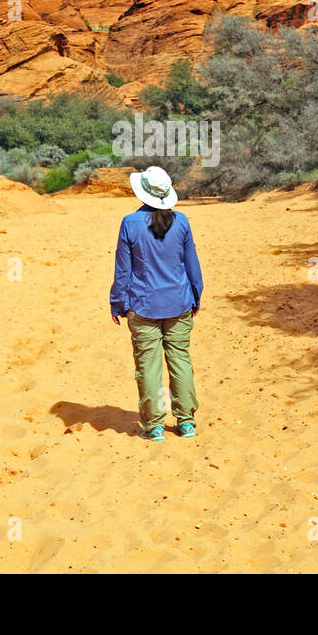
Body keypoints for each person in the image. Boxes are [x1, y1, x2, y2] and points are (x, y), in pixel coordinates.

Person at [109, 166, 204, 441]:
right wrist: (196, 296)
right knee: (181, 362)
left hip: (143, 305)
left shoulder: (129, 223)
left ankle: (154, 427)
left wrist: (117, 303)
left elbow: (123, 271)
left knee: (148, 367)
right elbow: (192, 266)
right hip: (179, 303)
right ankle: (186, 422)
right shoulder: (182, 222)